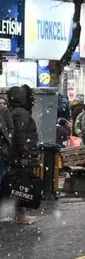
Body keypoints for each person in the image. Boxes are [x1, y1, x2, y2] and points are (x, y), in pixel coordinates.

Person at [5, 85, 36, 224]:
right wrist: (25, 154)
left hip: (15, 155)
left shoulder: (14, 112)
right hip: (20, 156)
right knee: (20, 185)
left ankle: (19, 214)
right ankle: (20, 215)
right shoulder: (21, 113)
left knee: (16, 184)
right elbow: (20, 136)